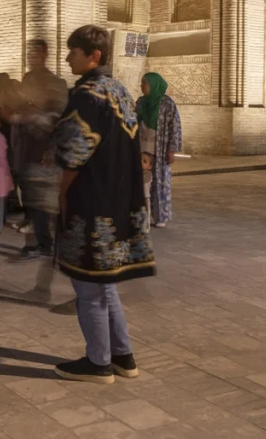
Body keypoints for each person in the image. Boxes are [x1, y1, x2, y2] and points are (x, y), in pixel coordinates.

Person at [52, 24, 155, 384]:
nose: (67, 58)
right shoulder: (120, 91)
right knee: (105, 283)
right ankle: (123, 356)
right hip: (118, 203)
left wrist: (63, 192)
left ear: (93, 55)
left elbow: (73, 153)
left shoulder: (88, 94)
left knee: (88, 288)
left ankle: (98, 362)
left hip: (92, 203)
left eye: (73, 52)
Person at [13, 39, 67, 260]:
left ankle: (52, 245)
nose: (31, 56)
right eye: (29, 52)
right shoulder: (27, 80)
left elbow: (58, 118)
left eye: (35, 52)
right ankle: (41, 243)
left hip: (46, 150)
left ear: (44, 54)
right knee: (31, 201)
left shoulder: (55, 82)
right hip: (27, 147)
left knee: (47, 202)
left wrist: (35, 115)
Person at [136, 72, 183, 228]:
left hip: (160, 149)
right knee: (141, 183)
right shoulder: (140, 103)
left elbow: (175, 127)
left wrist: (172, 150)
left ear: (154, 85)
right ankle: (143, 215)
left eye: (145, 83)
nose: (142, 86)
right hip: (142, 148)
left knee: (159, 182)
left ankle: (160, 216)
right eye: (142, 83)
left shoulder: (167, 104)